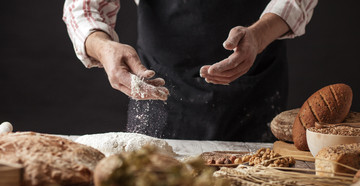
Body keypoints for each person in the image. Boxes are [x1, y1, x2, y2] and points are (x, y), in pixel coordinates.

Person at [63, 0, 318, 142]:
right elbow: (82, 6)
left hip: (253, 85)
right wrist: (103, 46)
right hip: (161, 85)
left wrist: (259, 35)